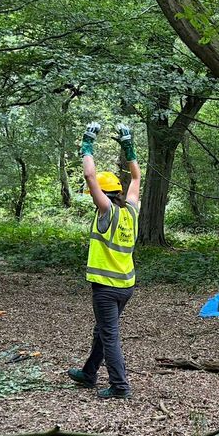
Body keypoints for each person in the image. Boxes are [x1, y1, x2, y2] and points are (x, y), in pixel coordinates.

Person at [67, 122, 141, 399]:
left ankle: (120, 386)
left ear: (102, 194)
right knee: (102, 330)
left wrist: (87, 144)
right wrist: (128, 146)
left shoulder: (106, 210)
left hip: (106, 287)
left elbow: (89, 176)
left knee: (109, 335)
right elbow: (136, 179)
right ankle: (88, 373)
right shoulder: (131, 209)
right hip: (126, 285)